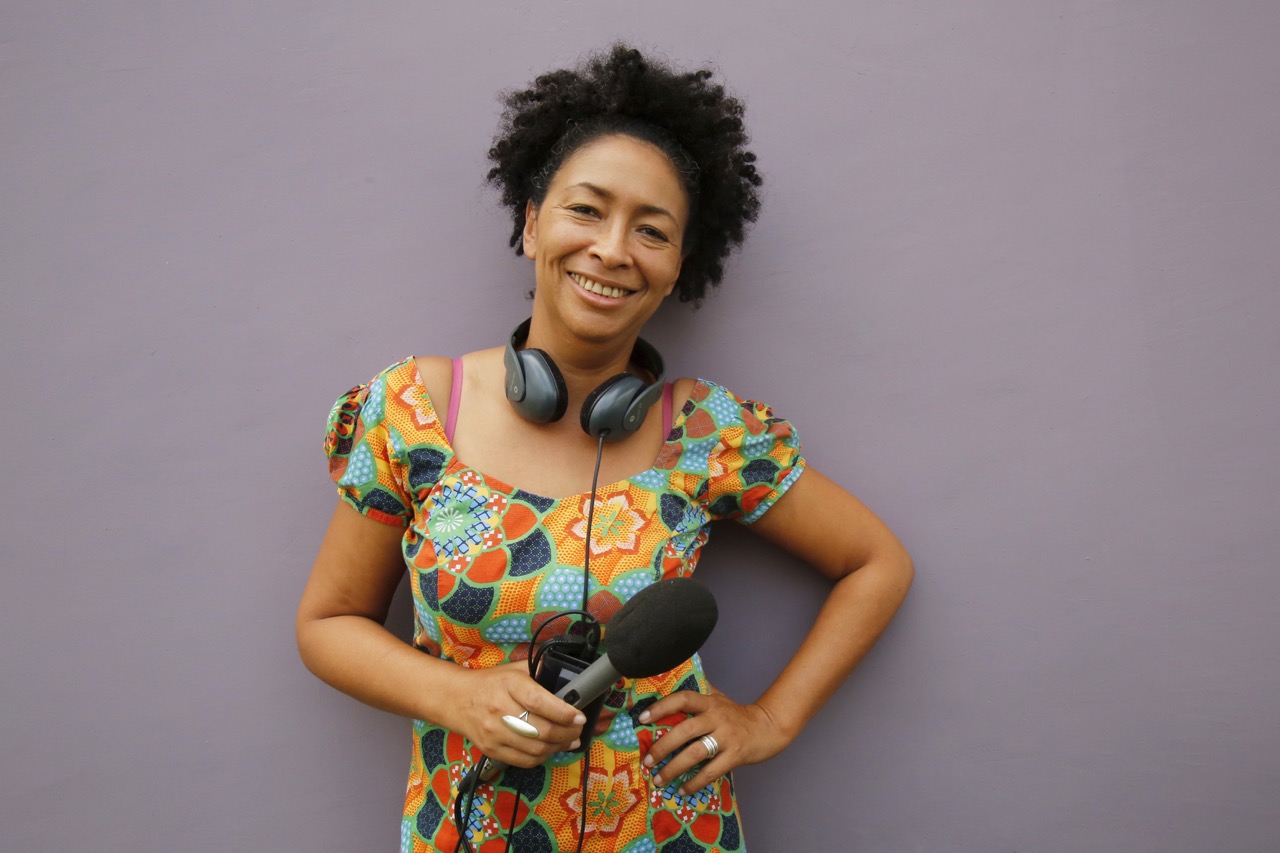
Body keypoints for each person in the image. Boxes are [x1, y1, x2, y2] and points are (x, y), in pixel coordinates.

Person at [297, 44, 913, 853]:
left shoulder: (706, 432)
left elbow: (877, 563)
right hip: (470, 833)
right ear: (531, 222)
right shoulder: (412, 412)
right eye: (586, 210)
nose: (614, 249)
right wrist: (456, 696)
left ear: (674, 269)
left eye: (651, 231)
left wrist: (769, 718)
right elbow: (328, 622)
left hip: (665, 831)